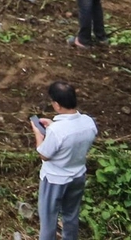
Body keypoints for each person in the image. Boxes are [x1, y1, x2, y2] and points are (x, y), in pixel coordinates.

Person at [31, 81, 97, 240]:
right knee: (71, 216)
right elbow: (72, 138)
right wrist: (53, 126)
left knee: (48, 220)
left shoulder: (57, 131)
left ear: (57, 105)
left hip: (55, 179)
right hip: (78, 176)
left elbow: (44, 154)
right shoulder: (88, 122)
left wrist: (38, 135)